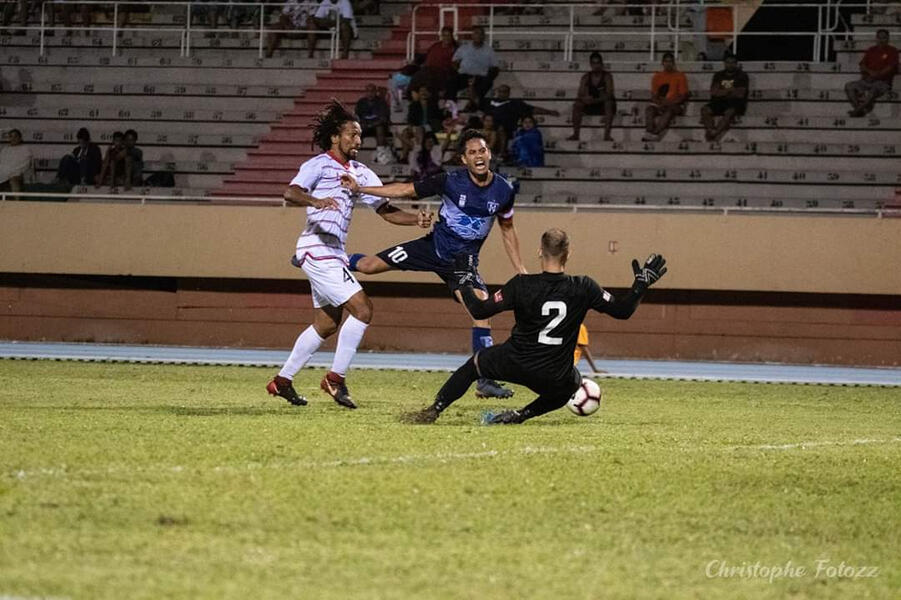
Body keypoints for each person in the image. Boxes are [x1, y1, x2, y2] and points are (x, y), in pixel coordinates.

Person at [266, 100, 433, 409]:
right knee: (363, 309)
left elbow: (385, 209)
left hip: (332, 253)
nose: (358, 141)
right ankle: (335, 380)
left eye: (360, 136)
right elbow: (291, 193)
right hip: (317, 249)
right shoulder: (318, 164)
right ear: (335, 137)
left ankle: (282, 382)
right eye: (352, 135)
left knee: (327, 324)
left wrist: (415, 220)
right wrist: (316, 202)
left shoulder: (361, 173)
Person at [406, 229, 667, 424]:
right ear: (569, 253)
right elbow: (623, 311)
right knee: (571, 385)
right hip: (554, 373)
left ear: (540, 251)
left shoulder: (521, 284)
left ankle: (434, 409)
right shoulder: (584, 286)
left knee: (473, 365)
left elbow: (479, 310)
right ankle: (521, 415)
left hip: (515, 361)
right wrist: (640, 286)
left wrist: (463, 281)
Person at [340, 128, 528, 399]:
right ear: (463, 159)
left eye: (482, 150)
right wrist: (360, 188)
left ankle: (484, 380)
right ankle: (334, 258)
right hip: (432, 248)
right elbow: (405, 189)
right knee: (369, 266)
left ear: (490, 154)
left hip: (462, 264)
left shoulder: (503, 190)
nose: (478, 156)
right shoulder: (450, 181)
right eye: (472, 152)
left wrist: (520, 269)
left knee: (481, 310)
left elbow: (508, 229)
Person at [481, 84, 559, 153]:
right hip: (489, 128)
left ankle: (501, 154)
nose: (502, 93)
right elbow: (476, 100)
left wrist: (550, 112)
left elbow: (532, 109)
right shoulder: (489, 102)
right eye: (500, 91)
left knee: (500, 130)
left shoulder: (515, 103)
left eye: (505, 91)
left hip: (505, 130)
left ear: (508, 93)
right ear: (497, 92)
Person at [845, 29, 899, 117]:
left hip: (883, 82)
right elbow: (862, 65)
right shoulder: (871, 50)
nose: (881, 40)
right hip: (867, 80)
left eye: (884, 38)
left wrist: (875, 76)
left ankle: (857, 111)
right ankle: (859, 109)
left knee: (873, 91)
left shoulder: (893, 51)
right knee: (849, 86)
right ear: (876, 38)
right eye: (879, 38)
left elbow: (889, 68)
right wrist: (870, 73)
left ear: (888, 39)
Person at [448, 26, 500, 111]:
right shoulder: (464, 48)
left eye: (480, 34)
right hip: (464, 75)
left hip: (480, 77)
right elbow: (454, 62)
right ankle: (451, 109)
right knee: (451, 82)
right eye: (476, 33)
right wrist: (457, 71)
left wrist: (489, 77)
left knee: (487, 83)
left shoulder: (489, 50)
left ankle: (472, 105)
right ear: (472, 35)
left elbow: (495, 67)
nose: (478, 36)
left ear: (484, 36)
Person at [568, 52, 617, 142]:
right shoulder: (586, 77)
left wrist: (595, 100)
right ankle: (575, 134)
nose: (596, 66)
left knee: (609, 103)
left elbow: (609, 94)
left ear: (601, 64)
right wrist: (585, 99)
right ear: (590, 64)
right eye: (594, 63)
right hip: (591, 105)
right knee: (577, 104)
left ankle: (607, 135)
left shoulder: (607, 76)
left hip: (603, 105)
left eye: (598, 63)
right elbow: (580, 94)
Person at [700, 52, 748, 142]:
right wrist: (731, 90)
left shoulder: (742, 76)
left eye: (732, 62)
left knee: (729, 112)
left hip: (735, 103)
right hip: (718, 102)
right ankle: (710, 130)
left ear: (736, 64)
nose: (730, 65)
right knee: (704, 110)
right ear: (724, 63)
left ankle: (714, 133)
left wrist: (722, 91)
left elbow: (740, 94)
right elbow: (714, 92)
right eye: (728, 62)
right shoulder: (718, 75)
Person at [643, 52, 690, 141]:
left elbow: (683, 96)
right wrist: (660, 103)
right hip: (661, 103)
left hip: (675, 105)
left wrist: (669, 103)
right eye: (666, 61)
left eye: (670, 61)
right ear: (662, 63)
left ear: (673, 63)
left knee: (669, 111)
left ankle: (654, 134)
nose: (668, 64)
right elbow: (654, 95)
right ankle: (649, 132)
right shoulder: (657, 76)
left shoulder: (680, 76)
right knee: (649, 110)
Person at [355, 83, 392, 164]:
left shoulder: (381, 102)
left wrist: (371, 125)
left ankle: (381, 154)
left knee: (380, 128)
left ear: (375, 92)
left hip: (377, 126)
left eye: (372, 91)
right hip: (365, 126)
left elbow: (383, 119)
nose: (370, 93)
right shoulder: (361, 102)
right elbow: (357, 116)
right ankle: (352, 153)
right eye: (368, 91)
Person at [0, 129, 32, 195]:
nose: (13, 138)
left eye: (15, 136)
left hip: (17, 174)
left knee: (14, 179)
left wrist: (10, 172)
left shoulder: (25, 149)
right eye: (11, 136)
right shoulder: (5, 149)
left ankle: (17, 203)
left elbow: (24, 165)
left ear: (20, 138)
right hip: (3, 173)